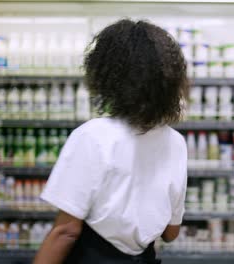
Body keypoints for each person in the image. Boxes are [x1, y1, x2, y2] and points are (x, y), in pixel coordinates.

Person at [34, 19, 189, 264]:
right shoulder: (176, 142)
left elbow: (65, 232)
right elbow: (171, 232)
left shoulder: (92, 136)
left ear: (107, 74)